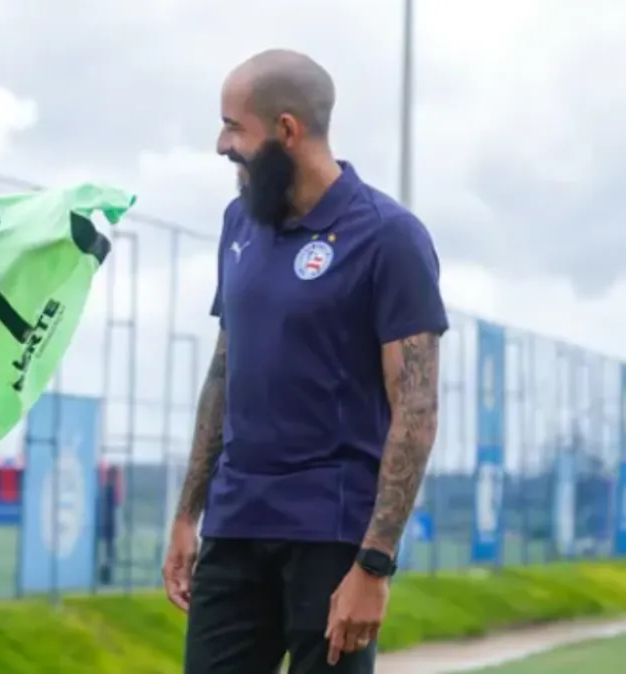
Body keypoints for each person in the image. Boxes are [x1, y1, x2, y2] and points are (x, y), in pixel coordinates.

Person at [161, 49, 448, 674]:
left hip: (331, 537)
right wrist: (188, 515)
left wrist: (374, 565)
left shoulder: (389, 237)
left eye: (234, 127)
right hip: (235, 527)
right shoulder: (239, 222)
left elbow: (417, 407)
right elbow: (224, 371)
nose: (220, 144)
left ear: (286, 130)